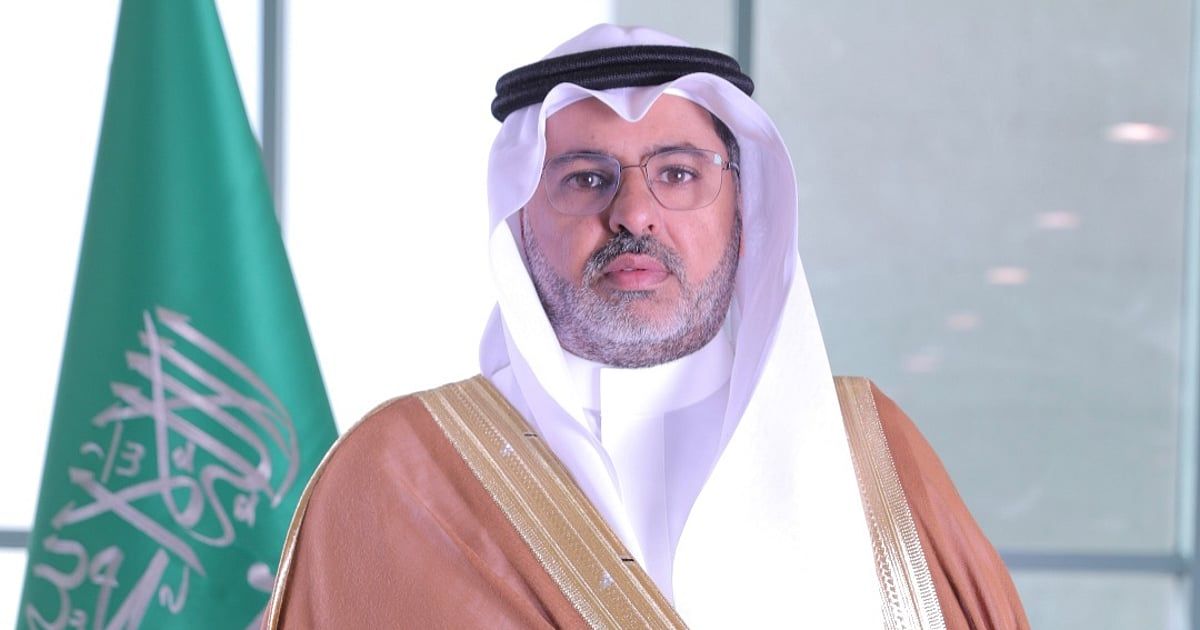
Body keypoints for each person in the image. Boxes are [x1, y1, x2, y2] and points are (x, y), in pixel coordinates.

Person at [263, 24, 1029, 629]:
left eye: (679, 174)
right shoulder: (397, 474)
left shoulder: (872, 450)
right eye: (585, 179)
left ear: (744, 213)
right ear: (520, 220)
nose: (633, 214)